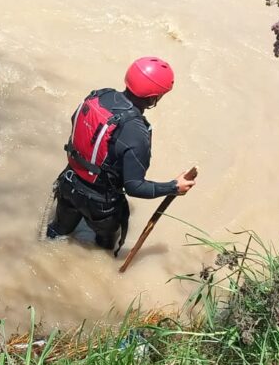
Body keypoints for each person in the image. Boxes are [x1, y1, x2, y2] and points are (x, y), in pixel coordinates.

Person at [46, 56, 196, 255]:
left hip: (68, 184)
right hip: (102, 206)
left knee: (55, 233)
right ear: (154, 98)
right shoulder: (137, 132)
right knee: (103, 251)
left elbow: (75, 121)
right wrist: (174, 187)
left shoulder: (98, 96)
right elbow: (135, 187)